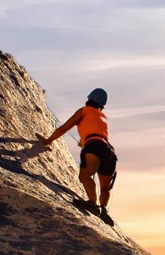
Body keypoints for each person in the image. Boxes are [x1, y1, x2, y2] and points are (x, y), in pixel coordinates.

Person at [38, 88, 118, 226]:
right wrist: (84, 141)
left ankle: (92, 203)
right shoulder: (102, 117)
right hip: (109, 152)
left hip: (94, 146)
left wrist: (48, 141)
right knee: (105, 188)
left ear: (89, 99)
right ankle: (104, 210)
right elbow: (97, 134)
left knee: (85, 175)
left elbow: (63, 128)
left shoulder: (84, 111)